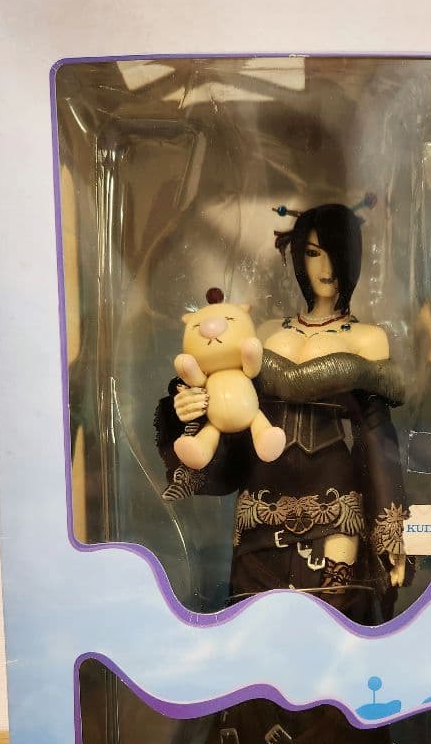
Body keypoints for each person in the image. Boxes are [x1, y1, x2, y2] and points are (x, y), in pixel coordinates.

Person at [155, 199, 410, 627]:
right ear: (298, 258)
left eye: (337, 252)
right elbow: (231, 408)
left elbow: (376, 433)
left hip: (335, 498)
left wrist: (391, 531)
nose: (326, 267)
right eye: (312, 253)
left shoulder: (368, 339)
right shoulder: (265, 331)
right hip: (261, 497)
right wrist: (192, 408)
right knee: (255, 619)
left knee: (335, 619)